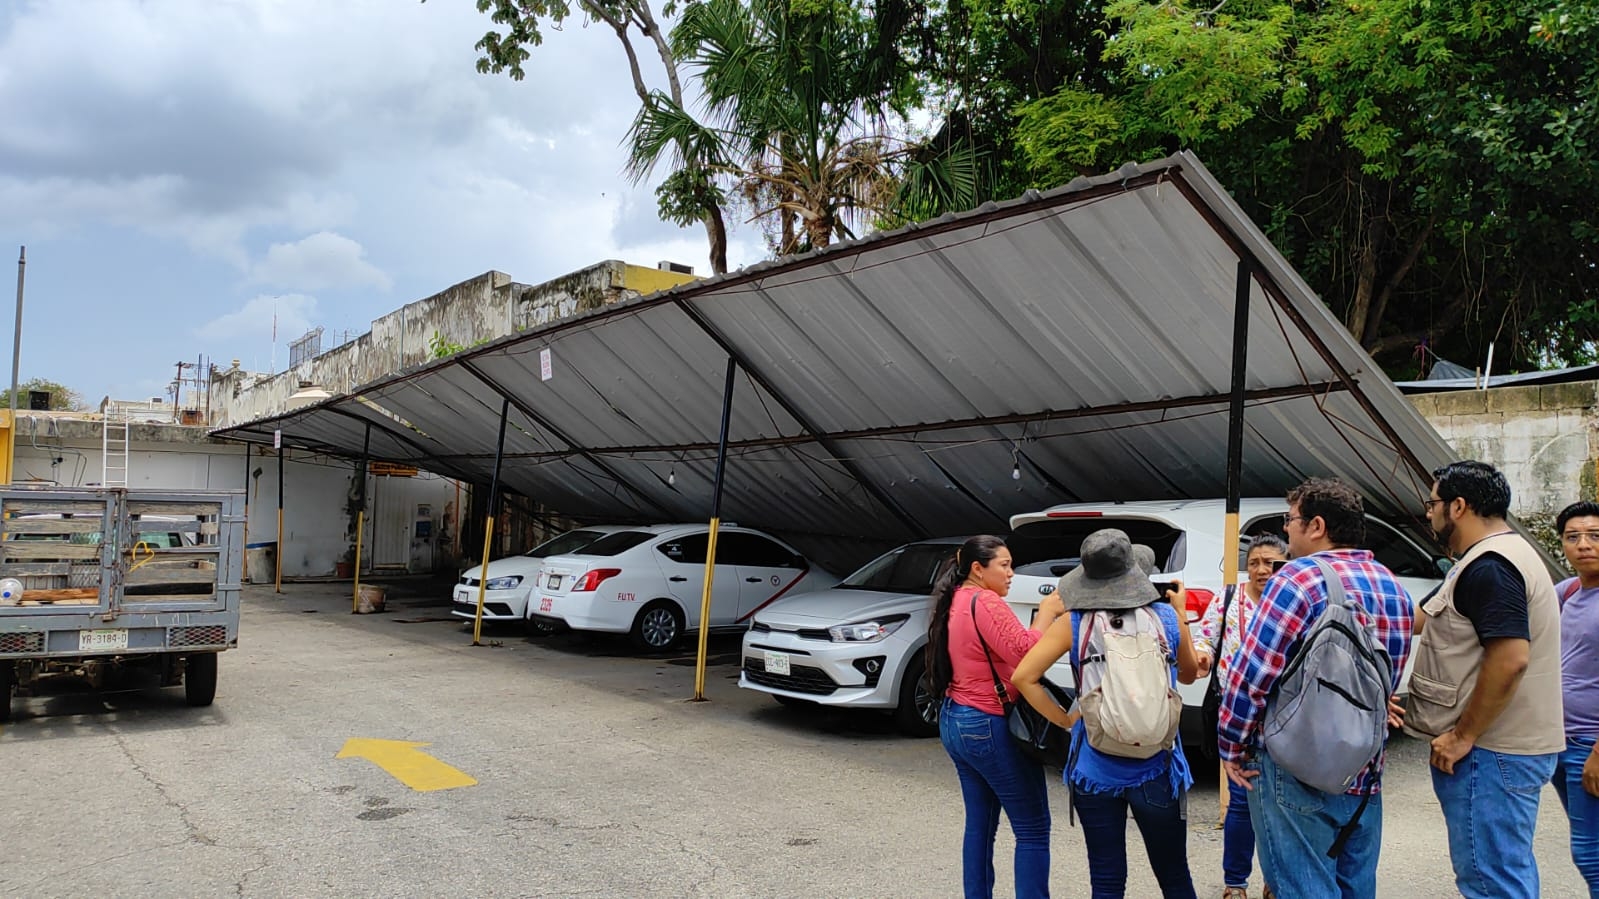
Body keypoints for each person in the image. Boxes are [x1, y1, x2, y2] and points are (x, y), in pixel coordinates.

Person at [1217, 477, 1413, 899]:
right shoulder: (1392, 585)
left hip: (1295, 765)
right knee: (1355, 887)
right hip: (1362, 767)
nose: (1286, 530)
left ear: (1317, 525)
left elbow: (1251, 674)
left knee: (1303, 888)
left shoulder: (1297, 579)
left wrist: (1232, 747)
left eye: (1291, 520)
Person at [1399, 461, 1563, 898]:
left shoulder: (1491, 566)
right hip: (1506, 750)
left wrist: (1463, 735)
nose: (1430, 513)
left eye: (1433, 503)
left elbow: (1510, 658)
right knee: (1504, 872)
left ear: (1458, 506)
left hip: (1493, 752)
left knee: (1492, 882)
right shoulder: (1484, 559)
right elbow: (1420, 617)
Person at [1013, 528, 1199, 899]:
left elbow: (1023, 677)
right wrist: (1181, 618)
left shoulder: (1074, 623)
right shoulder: (1164, 616)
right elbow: (1191, 672)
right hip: (1157, 767)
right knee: (1175, 875)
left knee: (1107, 879)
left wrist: (1066, 719)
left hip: (1094, 769)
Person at [927, 535, 1064, 898]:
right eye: (1004, 565)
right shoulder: (985, 601)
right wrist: (1048, 612)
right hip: (987, 722)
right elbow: (1025, 653)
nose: (1011, 573)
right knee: (1033, 828)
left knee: (980, 825)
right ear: (978, 568)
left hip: (957, 718)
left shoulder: (957, 598)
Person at [1193, 533, 1289, 899]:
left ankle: (1276, 880)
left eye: (1271, 563)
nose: (1263, 570)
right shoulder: (1229, 598)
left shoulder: (1293, 600)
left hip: (1287, 718)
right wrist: (1201, 655)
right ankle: (1235, 882)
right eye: (1255, 563)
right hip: (1240, 717)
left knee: (1282, 805)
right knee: (1242, 801)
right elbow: (1205, 638)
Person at [1555, 500, 1599, 896]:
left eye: (1595, 535)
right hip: (1560, 742)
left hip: (1592, 744)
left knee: (1591, 853)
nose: (1584, 544)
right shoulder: (1566, 592)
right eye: (1573, 537)